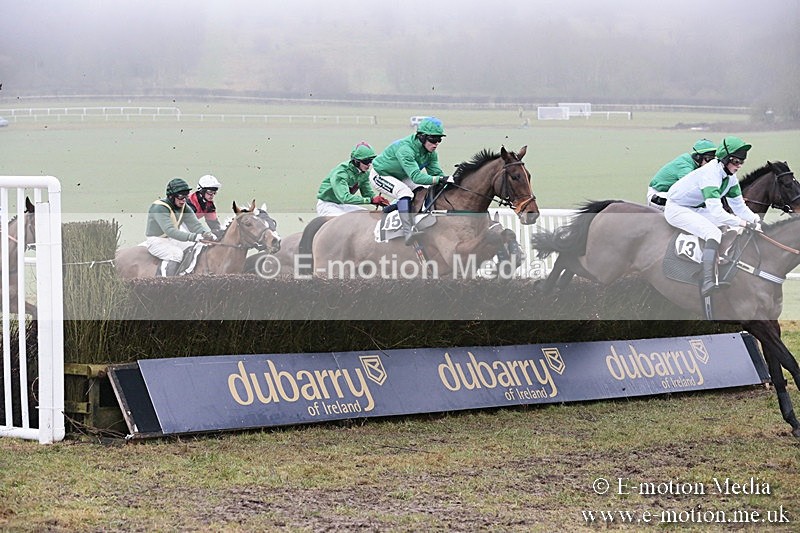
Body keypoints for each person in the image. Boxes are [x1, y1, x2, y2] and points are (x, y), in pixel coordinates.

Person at [664, 136, 761, 296]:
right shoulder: (710, 175)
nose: (739, 166)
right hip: (677, 208)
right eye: (736, 162)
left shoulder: (730, 179)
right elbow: (717, 212)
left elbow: (739, 207)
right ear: (725, 159)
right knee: (713, 232)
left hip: (694, 208)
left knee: (734, 225)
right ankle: (707, 280)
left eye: (742, 162)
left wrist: (756, 221)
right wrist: (744, 223)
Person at [371, 117, 453, 244]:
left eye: (439, 139)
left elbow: (436, 174)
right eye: (433, 139)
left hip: (401, 175)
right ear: (422, 137)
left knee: (421, 191)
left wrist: (450, 181)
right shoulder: (406, 149)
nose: (436, 143)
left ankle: (390, 210)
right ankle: (407, 230)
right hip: (381, 175)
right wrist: (440, 179)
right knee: (405, 192)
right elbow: (416, 177)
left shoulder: (431, 153)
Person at [145, 177, 216, 276]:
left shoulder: (184, 206)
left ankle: (186, 276)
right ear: (171, 196)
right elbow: (170, 231)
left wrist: (205, 233)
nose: (184, 200)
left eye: (186, 197)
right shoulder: (159, 207)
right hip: (156, 241)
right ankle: (167, 283)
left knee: (197, 247)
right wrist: (194, 237)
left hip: (171, 239)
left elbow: (195, 225)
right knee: (176, 254)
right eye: (180, 197)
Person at [316, 142, 389, 216]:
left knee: (366, 215)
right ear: (356, 161)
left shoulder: (364, 174)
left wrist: (376, 199)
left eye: (371, 161)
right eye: (366, 161)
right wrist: (370, 200)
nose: (369, 164)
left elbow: (367, 194)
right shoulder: (341, 173)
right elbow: (345, 198)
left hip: (343, 205)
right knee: (345, 221)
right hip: (327, 205)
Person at [647, 139, 717, 209]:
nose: (711, 163)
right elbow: (690, 190)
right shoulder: (685, 167)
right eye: (709, 159)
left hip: (670, 195)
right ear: (698, 157)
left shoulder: (694, 163)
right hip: (658, 196)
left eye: (713, 159)